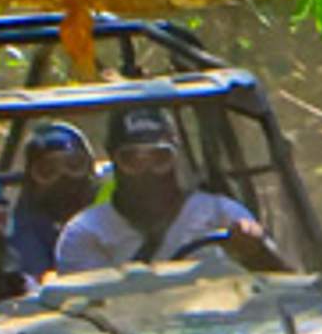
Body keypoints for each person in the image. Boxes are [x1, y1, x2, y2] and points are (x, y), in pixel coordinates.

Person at [53, 108, 287, 273]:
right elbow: (85, 318)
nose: (147, 172)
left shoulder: (220, 215)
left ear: (175, 159)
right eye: (132, 160)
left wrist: (255, 251)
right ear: (114, 162)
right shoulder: (85, 233)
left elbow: (285, 289)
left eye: (159, 158)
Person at [4, 122, 98, 284]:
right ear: (32, 180)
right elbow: (38, 280)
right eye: (48, 170)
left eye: (74, 165)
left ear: (89, 169)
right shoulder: (25, 227)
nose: (64, 178)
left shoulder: (112, 209)